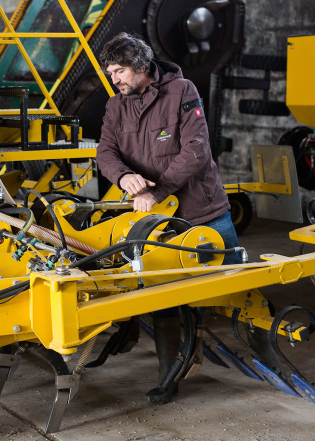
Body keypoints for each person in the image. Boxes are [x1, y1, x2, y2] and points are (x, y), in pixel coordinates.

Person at [95, 32, 241, 405]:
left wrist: (154, 192)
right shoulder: (115, 106)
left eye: (121, 70)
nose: (116, 79)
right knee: (162, 294)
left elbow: (195, 151)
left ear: (142, 66)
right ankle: (168, 373)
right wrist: (123, 177)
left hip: (201, 210)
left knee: (236, 283)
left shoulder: (181, 91)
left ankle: (254, 338)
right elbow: (105, 153)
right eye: (111, 72)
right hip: (155, 220)